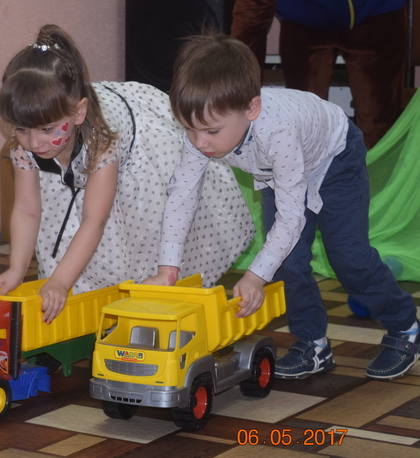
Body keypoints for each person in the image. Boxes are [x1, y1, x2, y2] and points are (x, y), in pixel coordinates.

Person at [144, 33, 419, 380]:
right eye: (189, 129)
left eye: (211, 131)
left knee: (349, 258)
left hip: (335, 160)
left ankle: (406, 327)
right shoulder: (202, 133)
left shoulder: (277, 131)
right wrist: (168, 268)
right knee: (288, 261)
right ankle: (313, 344)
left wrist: (254, 276)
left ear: (251, 109)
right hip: (280, 172)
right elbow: (182, 195)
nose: (200, 142)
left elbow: (291, 217)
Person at [0, 25, 255, 323]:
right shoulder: (27, 141)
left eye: (46, 129)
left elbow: (94, 219)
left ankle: (144, 308)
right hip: (79, 150)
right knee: (67, 241)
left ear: (78, 113)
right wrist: (16, 269)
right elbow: (27, 210)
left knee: (139, 243)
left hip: (138, 148)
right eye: (21, 129)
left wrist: (60, 282)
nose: (34, 142)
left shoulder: (101, 141)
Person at [230, 0, 414, 149]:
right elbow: (252, 9)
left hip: (378, 10)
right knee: (306, 124)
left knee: (379, 123)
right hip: (304, 20)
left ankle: (376, 164)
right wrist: (239, 98)